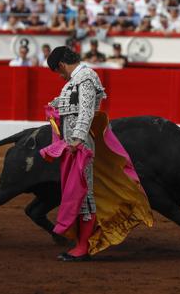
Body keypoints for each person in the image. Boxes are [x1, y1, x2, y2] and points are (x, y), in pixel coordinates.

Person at [41, 46, 153, 261]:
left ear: (61, 65)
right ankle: (80, 243)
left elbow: (85, 112)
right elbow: (73, 108)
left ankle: (83, 247)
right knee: (76, 193)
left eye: (58, 71)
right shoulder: (76, 81)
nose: (60, 76)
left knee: (83, 193)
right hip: (71, 146)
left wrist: (77, 139)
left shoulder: (85, 77)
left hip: (79, 146)